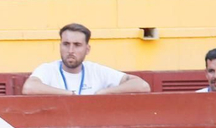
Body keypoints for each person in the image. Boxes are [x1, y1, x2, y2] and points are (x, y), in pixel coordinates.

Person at [22, 22, 150, 95]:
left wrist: (104, 92)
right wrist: (69, 94)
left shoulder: (96, 71)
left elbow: (142, 86)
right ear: (60, 46)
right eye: (66, 44)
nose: (70, 50)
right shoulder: (48, 69)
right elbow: (29, 88)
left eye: (77, 45)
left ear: (87, 49)